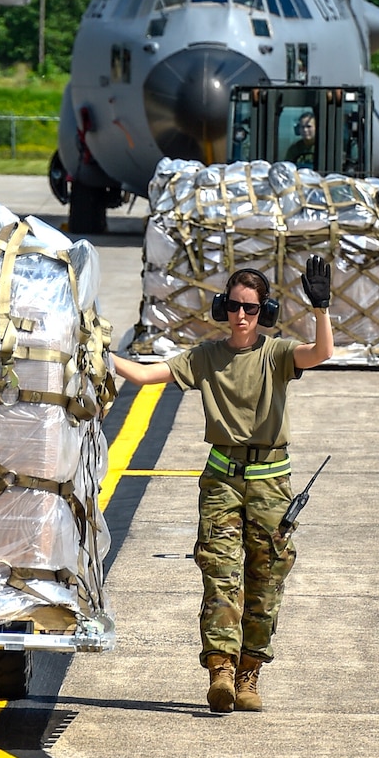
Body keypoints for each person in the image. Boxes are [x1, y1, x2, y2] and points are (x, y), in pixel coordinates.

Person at [111, 258, 332, 713]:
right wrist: (93, 350)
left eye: (250, 308)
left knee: (266, 580)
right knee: (220, 577)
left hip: (271, 483)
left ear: (264, 312)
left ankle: (250, 671)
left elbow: (321, 353)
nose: (241, 316)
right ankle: (222, 672)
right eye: (233, 306)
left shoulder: (277, 354)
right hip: (222, 481)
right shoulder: (205, 357)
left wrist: (321, 308)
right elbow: (143, 375)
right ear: (221, 308)